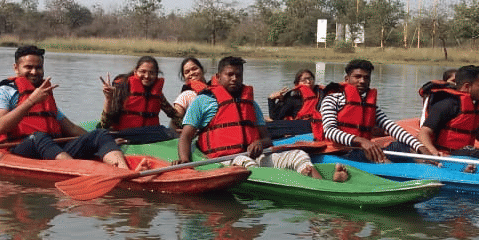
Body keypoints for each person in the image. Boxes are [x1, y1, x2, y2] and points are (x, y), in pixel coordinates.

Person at [177, 56, 348, 182]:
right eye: (229, 74)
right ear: (218, 76)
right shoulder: (203, 101)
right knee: (245, 163)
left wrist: (260, 143)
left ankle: (325, 186)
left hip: (255, 156)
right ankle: (294, 184)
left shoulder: (250, 103)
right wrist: (185, 162)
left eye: (238, 75)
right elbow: (186, 136)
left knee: (299, 155)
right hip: (224, 158)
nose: (235, 79)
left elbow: (266, 137)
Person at [0, 45, 130, 168]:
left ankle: (123, 172)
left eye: (38, 67)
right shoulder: (2, 92)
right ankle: (80, 172)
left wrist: (102, 141)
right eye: (28, 67)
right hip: (19, 147)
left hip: (51, 148)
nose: (34, 72)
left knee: (100, 134)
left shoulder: (44, 95)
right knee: (38, 137)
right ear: (16, 68)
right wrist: (30, 101)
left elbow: (70, 128)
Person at [318, 59, 431, 163]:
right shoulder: (332, 100)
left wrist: (421, 147)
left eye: (366, 78)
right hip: (340, 153)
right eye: (357, 77)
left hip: (363, 150)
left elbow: (392, 128)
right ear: (347, 79)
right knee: (376, 156)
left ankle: (432, 168)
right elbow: (330, 131)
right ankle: (391, 172)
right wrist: (362, 141)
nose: (362, 81)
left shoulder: (369, 106)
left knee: (406, 147)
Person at [417, 65, 479, 160]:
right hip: (449, 155)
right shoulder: (447, 104)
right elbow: (423, 133)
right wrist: (434, 153)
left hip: (465, 153)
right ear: (467, 86)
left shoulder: (470, 107)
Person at [99, 55, 180, 132]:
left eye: (151, 73)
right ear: (135, 72)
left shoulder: (157, 94)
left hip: (150, 135)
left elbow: (173, 114)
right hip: (124, 134)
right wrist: (108, 98)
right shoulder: (122, 88)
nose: (147, 76)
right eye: (143, 71)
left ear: (156, 74)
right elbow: (105, 125)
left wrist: (188, 128)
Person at [171, 57, 209, 129]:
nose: (191, 73)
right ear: (184, 76)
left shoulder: (214, 91)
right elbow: (174, 123)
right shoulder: (185, 96)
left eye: (194, 69)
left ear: (202, 70)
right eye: (187, 72)